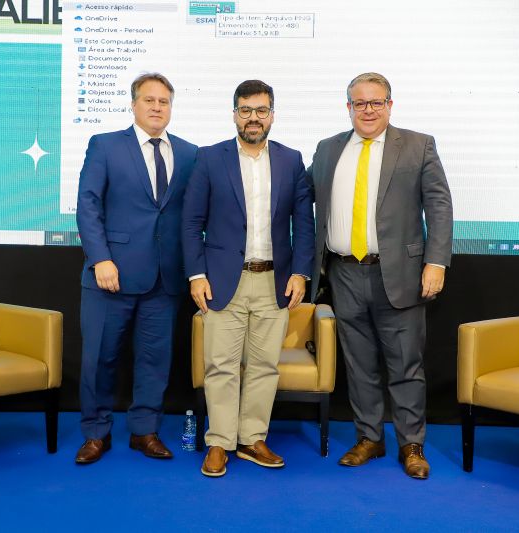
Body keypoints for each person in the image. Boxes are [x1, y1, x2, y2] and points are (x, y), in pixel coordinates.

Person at [306, 72, 453, 479]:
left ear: (390, 105)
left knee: (405, 365)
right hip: (343, 274)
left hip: (401, 275)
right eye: (360, 103)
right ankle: (369, 438)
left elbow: (439, 206)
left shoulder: (419, 146)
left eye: (376, 102)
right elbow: (301, 194)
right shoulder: (328, 149)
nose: (368, 110)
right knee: (359, 365)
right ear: (348, 107)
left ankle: (411, 445)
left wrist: (436, 262)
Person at [182, 80, 315, 477]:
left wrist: (301, 272)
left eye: (261, 110)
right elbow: (191, 222)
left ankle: (252, 439)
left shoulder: (291, 160)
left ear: (272, 115)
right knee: (220, 366)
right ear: (234, 114)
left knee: (264, 366)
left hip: (275, 282)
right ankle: (219, 442)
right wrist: (196, 275)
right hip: (223, 281)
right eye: (245, 110)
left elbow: (303, 225)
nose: (253, 118)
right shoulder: (210, 158)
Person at [75, 72, 198, 464]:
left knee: (154, 361)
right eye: (149, 100)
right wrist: (101, 258)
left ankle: (144, 431)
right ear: (133, 104)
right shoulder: (105, 145)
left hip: (165, 278)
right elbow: (88, 205)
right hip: (111, 275)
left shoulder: (190, 153)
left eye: (164, 101)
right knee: (99, 359)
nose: (157, 107)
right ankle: (96, 433)